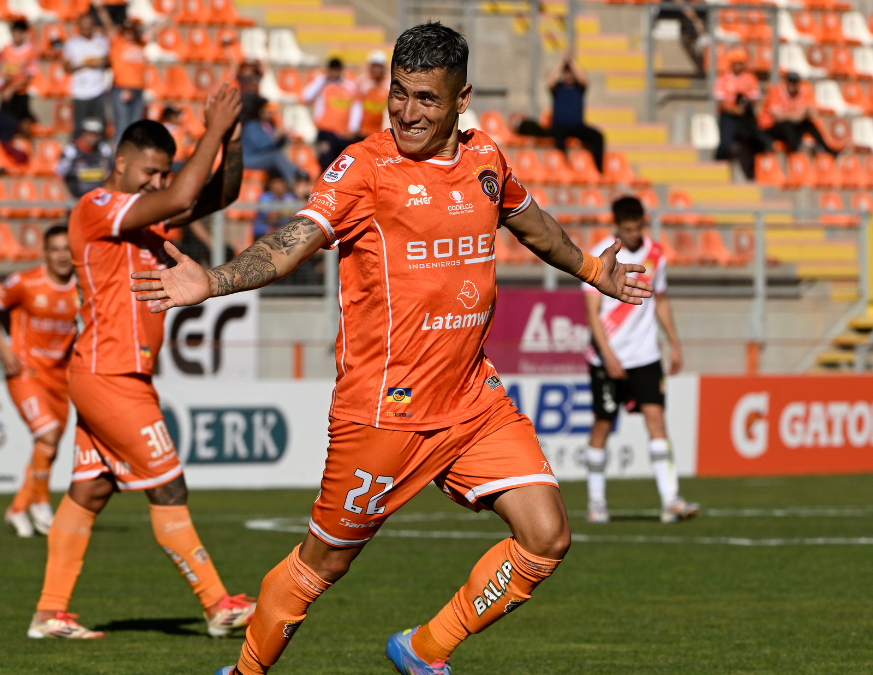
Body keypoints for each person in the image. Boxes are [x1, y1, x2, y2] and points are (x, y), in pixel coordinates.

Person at [130, 22, 653, 675]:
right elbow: (295, 237)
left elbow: (529, 218)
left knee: (546, 537)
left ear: (461, 98)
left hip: (471, 402)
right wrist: (216, 279)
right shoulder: (364, 168)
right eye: (398, 94)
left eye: (426, 99)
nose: (407, 111)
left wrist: (592, 269)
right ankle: (244, 671)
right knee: (323, 565)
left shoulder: (486, 158)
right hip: (383, 413)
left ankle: (425, 648)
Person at [26, 88, 257, 641]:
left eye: (163, 174)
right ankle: (218, 603)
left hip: (112, 372)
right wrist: (209, 131)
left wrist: (231, 137)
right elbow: (182, 192)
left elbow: (220, 195)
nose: (158, 183)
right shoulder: (98, 208)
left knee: (90, 492)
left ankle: (48, 614)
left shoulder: (144, 222)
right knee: (169, 487)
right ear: (121, 163)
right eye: (149, 172)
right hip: (111, 375)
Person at [582, 196, 698, 525]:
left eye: (638, 228)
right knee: (603, 425)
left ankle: (671, 500)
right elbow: (592, 310)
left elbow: (660, 300)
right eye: (628, 229)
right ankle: (596, 502)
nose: (634, 235)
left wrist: (674, 343)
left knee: (657, 421)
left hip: (646, 355)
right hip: (609, 357)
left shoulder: (656, 253)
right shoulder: (602, 254)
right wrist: (608, 355)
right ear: (617, 226)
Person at [0, 225, 77, 539]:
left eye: (67, 249)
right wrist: (2, 346)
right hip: (25, 373)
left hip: (61, 378)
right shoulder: (26, 282)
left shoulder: (84, 288)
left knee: (47, 447)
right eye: (56, 249)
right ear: (45, 253)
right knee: (47, 435)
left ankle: (18, 508)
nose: (62, 255)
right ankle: (41, 503)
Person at [94, 2, 146, 147]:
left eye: (132, 30)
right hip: (122, 87)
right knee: (122, 126)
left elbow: (156, 29)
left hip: (139, 89)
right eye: (126, 30)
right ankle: (117, 159)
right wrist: (101, 9)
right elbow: (108, 24)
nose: (129, 33)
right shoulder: (118, 42)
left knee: (135, 127)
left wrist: (172, 15)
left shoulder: (140, 44)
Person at [545, 50, 605, 171]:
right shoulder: (558, 87)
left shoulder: (579, 87)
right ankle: (563, 168)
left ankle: (597, 170)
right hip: (560, 127)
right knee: (558, 138)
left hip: (577, 126)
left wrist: (571, 62)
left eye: (570, 71)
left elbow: (583, 78)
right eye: (566, 71)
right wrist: (562, 61)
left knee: (598, 137)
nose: (569, 74)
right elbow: (550, 81)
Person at [714, 47, 766, 181]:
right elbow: (722, 102)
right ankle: (717, 166)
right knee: (725, 144)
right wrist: (734, 109)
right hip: (728, 116)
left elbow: (754, 98)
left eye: (740, 62)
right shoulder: (723, 78)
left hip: (745, 117)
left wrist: (744, 106)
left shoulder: (750, 78)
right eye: (735, 62)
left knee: (753, 142)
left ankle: (752, 175)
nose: (738, 65)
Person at [759, 72, 835, 157]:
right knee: (786, 125)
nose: (793, 85)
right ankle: (799, 150)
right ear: (786, 83)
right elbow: (778, 117)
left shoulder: (800, 93)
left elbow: (811, 112)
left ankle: (828, 150)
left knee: (808, 125)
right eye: (790, 82)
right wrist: (797, 115)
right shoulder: (776, 92)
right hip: (769, 128)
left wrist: (797, 115)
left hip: (790, 127)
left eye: (795, 83)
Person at [301, 57, 355, 171]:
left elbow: (355, 107)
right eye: (332, 69)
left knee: (342, 168)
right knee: (326, 165)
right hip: (326, 131)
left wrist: (353, 128)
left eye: (337, 69)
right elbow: (306, 96)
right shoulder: (322, 84)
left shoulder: (349, 86)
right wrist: (324, 80)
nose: (335, 72)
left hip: (343, 134)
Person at [63, 12, 110, 132]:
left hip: (98, 90)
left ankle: (101, 150)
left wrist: (100, 62)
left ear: (93, 26)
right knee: (79, 127)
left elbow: (109, 62)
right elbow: (67, 67)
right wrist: (86, 64)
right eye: (83, 25)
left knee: (100, 127)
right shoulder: (72, 44)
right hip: (80, 92)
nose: (86, 28)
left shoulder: (102, 41)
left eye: (89, 25)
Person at [241, 96, 302, 184]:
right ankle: (294, 181)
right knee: (276, 156)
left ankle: (296, 175)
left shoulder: (269, 125)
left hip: (262, 157)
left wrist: (283, 137)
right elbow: (261, 145)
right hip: (250, 159)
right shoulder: (252, 126)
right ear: (261, 112)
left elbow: (276, 146)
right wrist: (276, 136)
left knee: (280, 155)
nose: (271, 114)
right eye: (268, 111)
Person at [56, 117, 113, 198]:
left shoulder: (104, 150)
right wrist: (69, 200)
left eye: (95, 134)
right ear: (83, 133)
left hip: (99, 200)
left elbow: (112, 174)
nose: (92, 137)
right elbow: (58, 177)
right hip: (77, 199)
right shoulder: (71, 151)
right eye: (90, 133)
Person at [0, 19, 39, 123]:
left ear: (25, 34)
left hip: (20, 91)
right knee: (5, 120)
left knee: (21, 121)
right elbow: (1, 68)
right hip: (6, 90)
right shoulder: (6, 49)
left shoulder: (30, 51)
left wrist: (11, 89)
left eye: (19, 32)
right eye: (15, 32)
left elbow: (28, 76)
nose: (16, 35)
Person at [349, 50, 389, 139]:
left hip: (382, 132)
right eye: (374, 66)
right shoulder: (361, 82)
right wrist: (353, 128)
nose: (376, 69)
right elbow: (356, 106)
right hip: (363, 131)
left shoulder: (390, 83)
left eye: (379, 66)